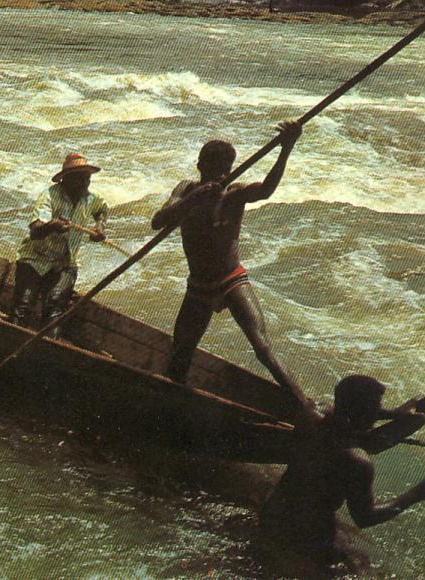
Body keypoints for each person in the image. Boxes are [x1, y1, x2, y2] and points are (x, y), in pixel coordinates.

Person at [151, 120, 313, 418]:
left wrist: (286, 148)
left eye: (227, 169)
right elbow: (158, 221)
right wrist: (192, 200)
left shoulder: (234, 194)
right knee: (181, 353)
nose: (222, 175)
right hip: (199, 286)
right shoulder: (186, 189)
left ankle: (304, 407)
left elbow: (265, 190)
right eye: (216, 169)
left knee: (262, 346)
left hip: (231, 279)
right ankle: (169, 409)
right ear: (200, 166)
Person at [259, 375, 425, 576]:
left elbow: (347, 416)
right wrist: (416, 493)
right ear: (364, 412)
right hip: (306, 534)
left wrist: (398, 412)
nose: (377, 414)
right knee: (359, 568)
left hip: (273, 512)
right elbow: (365, 518)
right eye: (375, 408)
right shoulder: (357, 461)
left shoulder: (312, 414)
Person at [10, 153, 108, 339]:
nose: (85, 184)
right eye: (80, 179)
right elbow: (35, 230)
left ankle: (48, 349)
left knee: (55, 309)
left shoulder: (90, 199)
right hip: (35, 259)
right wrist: (52, 225)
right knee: (22, 306)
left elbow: (102, 210)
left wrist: (99, 226)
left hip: (64, 264)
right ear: (66, 179)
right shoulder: (49, 196)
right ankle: (12, 344)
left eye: (87, 179)